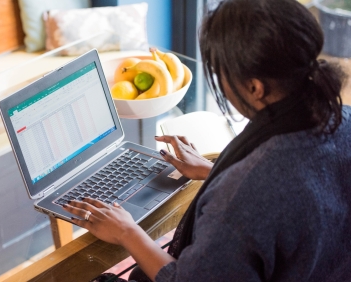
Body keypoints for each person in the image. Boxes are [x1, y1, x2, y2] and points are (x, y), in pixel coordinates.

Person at [62, 0, 351, 280]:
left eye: (220, 72)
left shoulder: (244, 192)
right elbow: (293, 194)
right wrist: (216, 173)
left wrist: (127, 232)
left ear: (255, 87)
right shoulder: (342, 119)